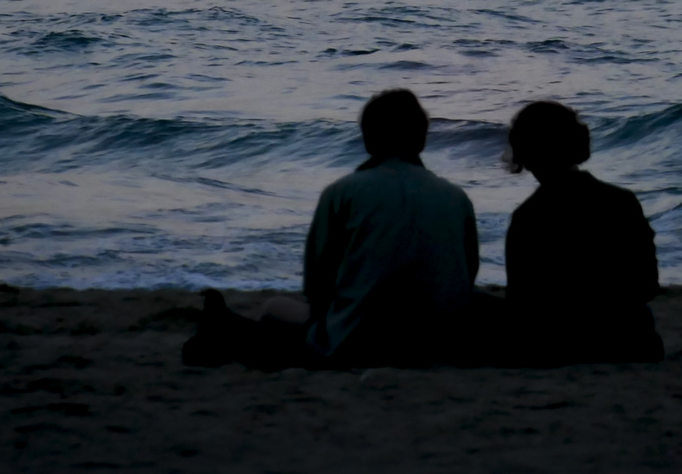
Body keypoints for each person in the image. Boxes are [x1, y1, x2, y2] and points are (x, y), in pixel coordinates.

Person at [183, 88, 480, 368]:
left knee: (276, 308)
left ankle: (228, 331)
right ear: (422, 138)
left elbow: (317, 283)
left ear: (368, 140)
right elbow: (467, 274)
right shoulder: (456, 197)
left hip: (358, 343)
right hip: (441, 345)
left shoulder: (344, 192)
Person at [504, 100, 664, 365]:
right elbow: (647, 284)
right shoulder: (622, 201)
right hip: (631, 342)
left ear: (524, 155)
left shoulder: (529, 216)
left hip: (562, 346)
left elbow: (521, 304)